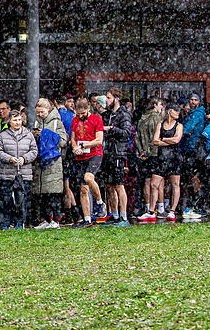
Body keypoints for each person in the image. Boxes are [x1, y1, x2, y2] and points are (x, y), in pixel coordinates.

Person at [0, 110, 38, 229]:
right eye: (15, 120)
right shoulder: (2, 135)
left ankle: (20, 223)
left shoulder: (28, 134)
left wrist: (24, 158)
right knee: (6, 200)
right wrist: (9, 158)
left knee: (22, 200)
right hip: (7, 173)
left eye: (19, 120)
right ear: (10, 121)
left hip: (24, 173)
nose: (17, 122)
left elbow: (34, 151)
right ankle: (5, 223)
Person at [31, 98, 68, 229]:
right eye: (38, 112)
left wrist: (45, 134)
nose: (40, 114)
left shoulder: (57, 122)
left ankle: (55, 220)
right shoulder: (37, 122)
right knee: (43, 194)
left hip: (53, 162)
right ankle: (46, 219)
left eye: (42, 112)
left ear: (49, 110)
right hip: (40, 162)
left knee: (53, 193)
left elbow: (63, 141)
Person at [70, 97, 106, 227]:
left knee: (89, 178)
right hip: (81, 156)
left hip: (95, 153)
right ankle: (87, 219)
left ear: (88, 109)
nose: (81, 116)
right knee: (83, 189)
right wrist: (75, 148)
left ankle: (100, 202)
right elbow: (73, 138)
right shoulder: (75, 121)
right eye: (79, 114)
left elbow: (99, 140)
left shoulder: (97, 119)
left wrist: (85, 146)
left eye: (83, 114)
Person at [100, 88, 133, 226]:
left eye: (108, 98)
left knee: (119, 185)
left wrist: (112, 129)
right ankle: (114, 214)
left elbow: (127, 132)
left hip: (118, 152)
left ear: (116, 99)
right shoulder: (107, 115)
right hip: (107, 152)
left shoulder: (124, 114)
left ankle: (124, 216)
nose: (106, 101)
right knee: (108, 185)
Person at [151, 103, 184, 220]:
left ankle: (172, 210)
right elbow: (155, 141)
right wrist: (168, 141)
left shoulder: (179, 125)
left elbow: (177, 139)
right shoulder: (160, 125)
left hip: (174, 157)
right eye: (176, 111)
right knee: (154, 184)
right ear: (170, 111)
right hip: (162, 157)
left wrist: (164, 140)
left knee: (175, 184)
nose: (178, 113)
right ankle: (151, 210)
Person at [135, 98, 164, 221]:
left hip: (143, 154)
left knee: (147, 181)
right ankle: (160, 208)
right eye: (160, 105)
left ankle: (148, 207)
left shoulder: (142, 118)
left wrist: (142, 151)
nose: (162, 107)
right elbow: (155, 137)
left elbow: (137, 137)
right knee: (158, 182)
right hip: (155, 153)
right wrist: (150, 151)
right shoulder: (156, 118)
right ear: (155, 105)